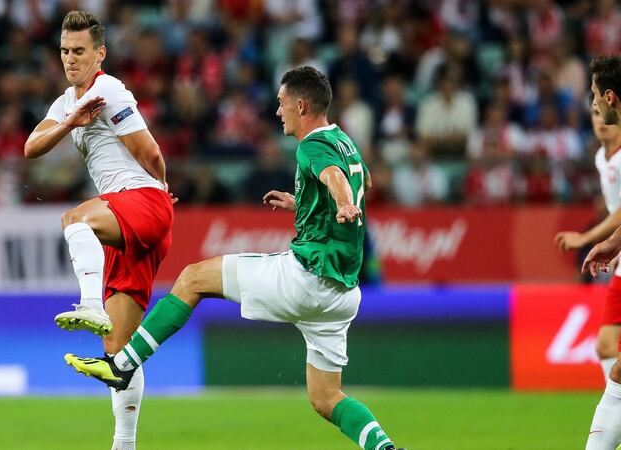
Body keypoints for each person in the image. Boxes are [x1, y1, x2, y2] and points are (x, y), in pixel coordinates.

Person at [64, 66, 403, 450]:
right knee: (326, 398)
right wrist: (308, 204)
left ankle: (121, 366)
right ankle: (385, 447)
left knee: (192, 279)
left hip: (305, 278)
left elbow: (336, 179)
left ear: (302, 105)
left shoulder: (312, 146)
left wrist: (341, 202)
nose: (278, 112)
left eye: (281, 103)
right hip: (341, 296)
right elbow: (364, 181)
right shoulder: (345, 142)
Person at [23, 11, 174, 450]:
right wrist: (71, 121)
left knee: (74, 219)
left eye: (80, 51)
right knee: (117, 351)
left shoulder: (108, 89)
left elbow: (150, 151)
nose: (71, 59)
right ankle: (124, 444)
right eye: (66, 51)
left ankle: (89, 302)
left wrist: (163, 191)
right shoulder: (66, 103)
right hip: (131, 215)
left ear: (99, 53)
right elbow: (31, 147)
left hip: (141, 201)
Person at [555, 107, 621, 382]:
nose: (601, 121)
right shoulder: (601, 159)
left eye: (603, 113)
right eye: (594, 114)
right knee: (605, 345)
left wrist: (586, 238)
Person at [580, 55, 621, 450]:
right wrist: (613, 242)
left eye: (595, 96)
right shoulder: (601, 157)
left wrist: (596, 238)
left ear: (610, 97)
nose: (594, 105)